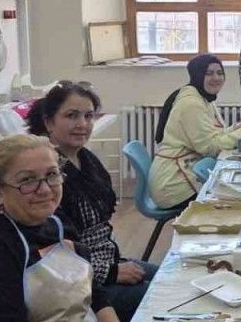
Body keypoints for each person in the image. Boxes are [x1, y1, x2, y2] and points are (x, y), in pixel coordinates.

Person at [0, 134, 120, 322]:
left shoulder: (56, 220)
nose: (44, 190)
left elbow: (94, 292)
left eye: (51, 175)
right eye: (27, 180)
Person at [28, 82, 153, 322]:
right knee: (164, 295)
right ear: (49, 122)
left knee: (173, 277)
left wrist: (114, 266)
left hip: (107, 260)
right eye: (71, 116)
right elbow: (54, 256)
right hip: (80, 284)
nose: (82, 124)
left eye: (88, 116)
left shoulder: (86, 160)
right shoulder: (47, 174)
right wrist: (111, 272)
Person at [149, 54, 241, 208]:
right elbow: (211, 148)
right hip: (173, 185)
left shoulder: (203, 98)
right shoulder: (191, 104)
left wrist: (240, 126)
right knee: (240, 199)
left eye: (220, 73)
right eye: (208, 73)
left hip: (184, 174)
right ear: (197, 75)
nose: (216, 78)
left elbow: (215, 135)